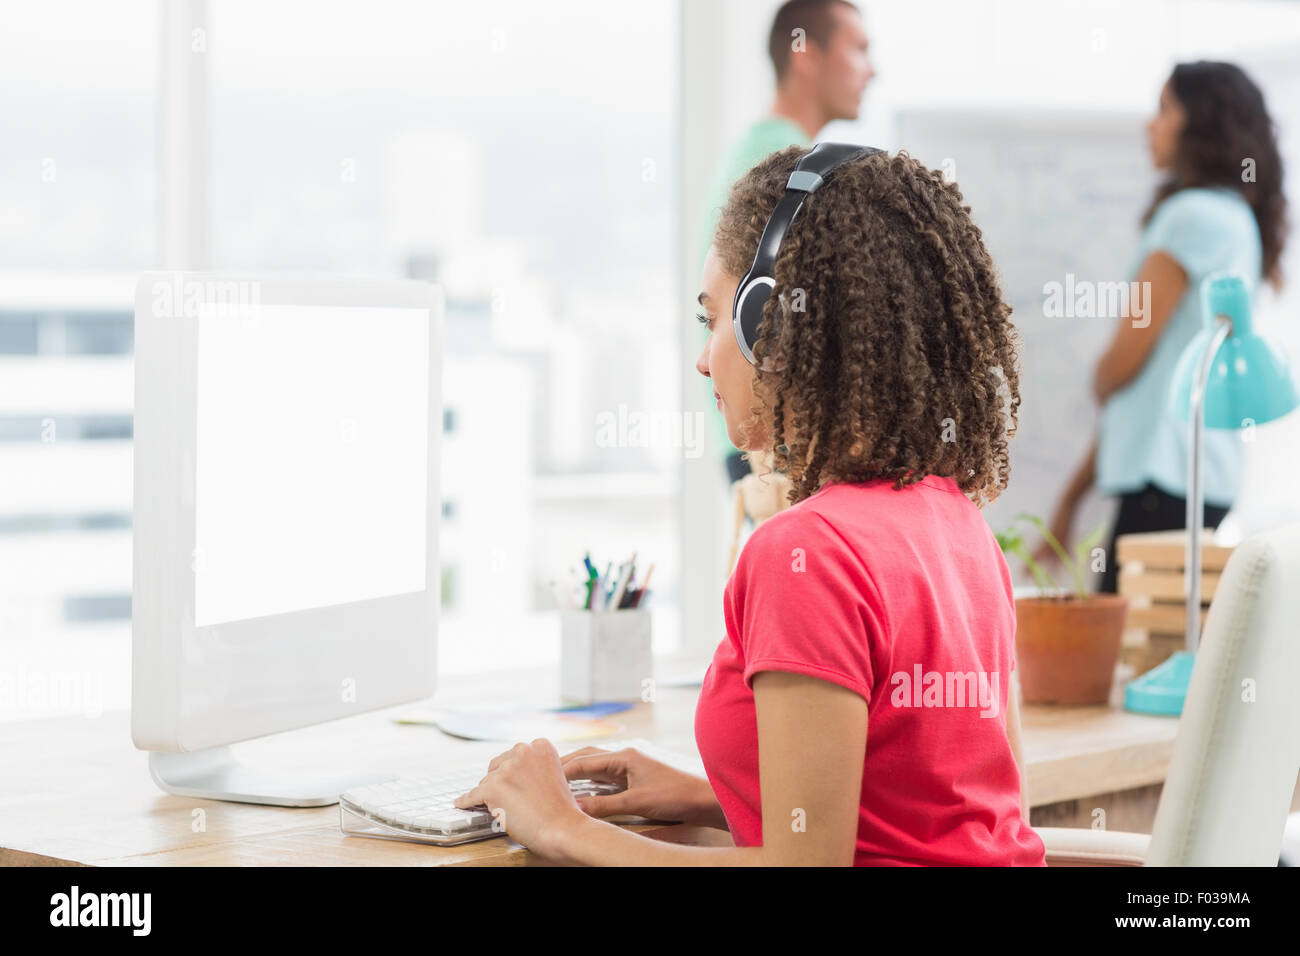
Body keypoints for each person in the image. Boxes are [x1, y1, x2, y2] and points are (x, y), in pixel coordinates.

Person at [455, 146, 1046, 866]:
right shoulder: (957, 521)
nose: (705, 359)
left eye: (713, 321)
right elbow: (933, 813)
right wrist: (710, 793)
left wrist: (563, 827)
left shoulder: (810, 553)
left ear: (771, 319)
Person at [1040, 62, 1288, 591]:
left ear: (1201, 122)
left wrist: (1100, 376)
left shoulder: (1191, 215)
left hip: (1166, 482)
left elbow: (1125, 362)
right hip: (1199, 479)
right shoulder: (1233, 217)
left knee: (1132, 649)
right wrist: (1070, 498)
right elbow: (1150, 390)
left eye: (1164, 109)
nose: (1149, 125)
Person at [702, 0, 875, 485]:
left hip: (764, 436)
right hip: (772, 442)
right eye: (858, 49)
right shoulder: (787, 170)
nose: (872, 70)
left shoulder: (766, 155)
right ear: (806, 55)